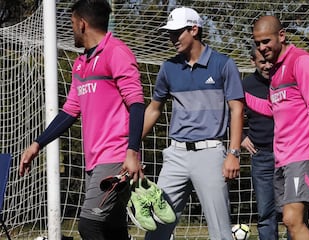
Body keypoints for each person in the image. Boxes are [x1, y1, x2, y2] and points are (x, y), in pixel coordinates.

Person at [19, 0, 145, 239]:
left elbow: (137, 103)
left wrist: (132, 152)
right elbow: (69, 112)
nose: (72, 28)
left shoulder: (116, 52)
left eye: (72, 23)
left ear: (82, 24)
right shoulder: (81, 64)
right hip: (94, 161)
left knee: (89, 226)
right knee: (112, 230)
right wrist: (38, 144)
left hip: (116, 157)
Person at [142, 7, 245, 240]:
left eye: (177, 32)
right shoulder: (168, 68)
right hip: (175, 156)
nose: (172, 38)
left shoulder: (223, 64)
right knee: (156, 229)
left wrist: (234, 153)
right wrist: (131, 146)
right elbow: (154, 109)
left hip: (211, 154)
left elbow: (237, 109)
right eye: (170, 33)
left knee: (220, 232)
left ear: (194, 29)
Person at [249, 15, 309, 239]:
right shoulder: (276, 70)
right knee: (291, 222)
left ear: (282, 35)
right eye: (257, 43)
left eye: (266, 41)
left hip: (302, 156)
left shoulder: (302, 61)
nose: (262, 47)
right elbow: (273, 108)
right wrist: (240, 97)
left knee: (292, 218)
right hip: (282, 159)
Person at [241, 46, 279, 240]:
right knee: (265, 213)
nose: (267, 65)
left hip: (290, 155)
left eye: (269, 61)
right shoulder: (245, 85)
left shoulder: (287, 79)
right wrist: (241, 137)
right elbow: (230, 114)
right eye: (262, 62)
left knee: (294, 212)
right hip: (261, 156)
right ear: (252, 62)